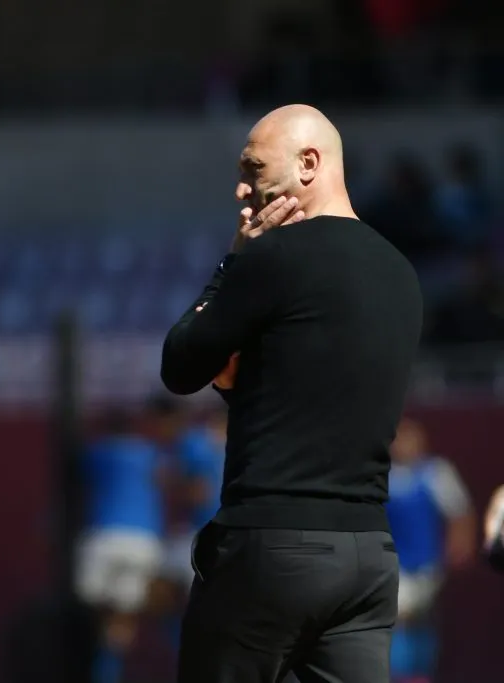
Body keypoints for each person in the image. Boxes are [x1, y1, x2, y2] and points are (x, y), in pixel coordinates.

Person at [160, 104, 424, 683]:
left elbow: (180, 365)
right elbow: (305, 393)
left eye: (254, 168)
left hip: (271, 546)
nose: (241, 189)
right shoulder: (401, 273)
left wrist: (234, 259)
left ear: (309, 164)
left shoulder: (271, 258)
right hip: (367, 558)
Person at [75, 404, 170, 683]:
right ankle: (110, 668)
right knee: (123, 613)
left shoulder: (98, 451)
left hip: (103, 536)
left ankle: (101, 669)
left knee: (93, 607)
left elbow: (79, 479)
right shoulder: (151, 453)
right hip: (143, 540)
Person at [385, 417, 475, 683]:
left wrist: (460, 544)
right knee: (396, 621)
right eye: (399, 438)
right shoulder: (382, 474)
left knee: (411, 618)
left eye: (410, 437)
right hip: (389, 564)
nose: (405, 445)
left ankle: (414, 674)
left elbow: (460, 512)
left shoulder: (436, 472)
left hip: (424, 564)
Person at [165, 407, 226, 590]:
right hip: (224, 533)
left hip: (199, 533)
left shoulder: (195, 441)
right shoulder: (247, 443)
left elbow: (196, 492)